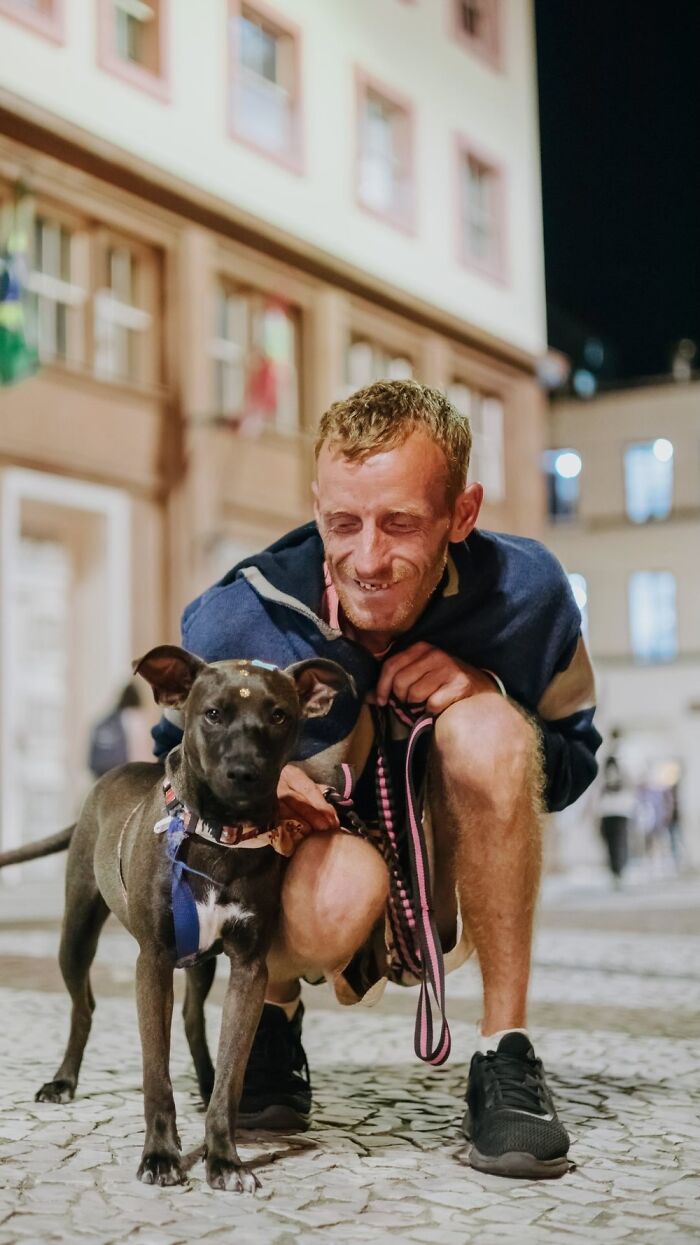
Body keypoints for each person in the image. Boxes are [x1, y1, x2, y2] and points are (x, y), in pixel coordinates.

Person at [153, 379, 601, 1179]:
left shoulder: (530, 595)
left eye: (400, 523)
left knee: (494, 727)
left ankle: (505, 1054)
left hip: (446, 851)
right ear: (316, 505)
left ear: (463, 514)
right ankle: (273, 1019)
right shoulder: (238, 617)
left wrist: (485, 690)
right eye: (342, 523)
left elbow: (570, 759)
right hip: (320, 862)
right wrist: (255, 793)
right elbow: (167, 775)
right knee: (331, 885)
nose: (366, 557)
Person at [89, 681, 153, 779]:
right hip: (125, 775)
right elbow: (140, 751)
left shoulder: (112, 718)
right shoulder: (136, 718)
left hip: (103, 774)